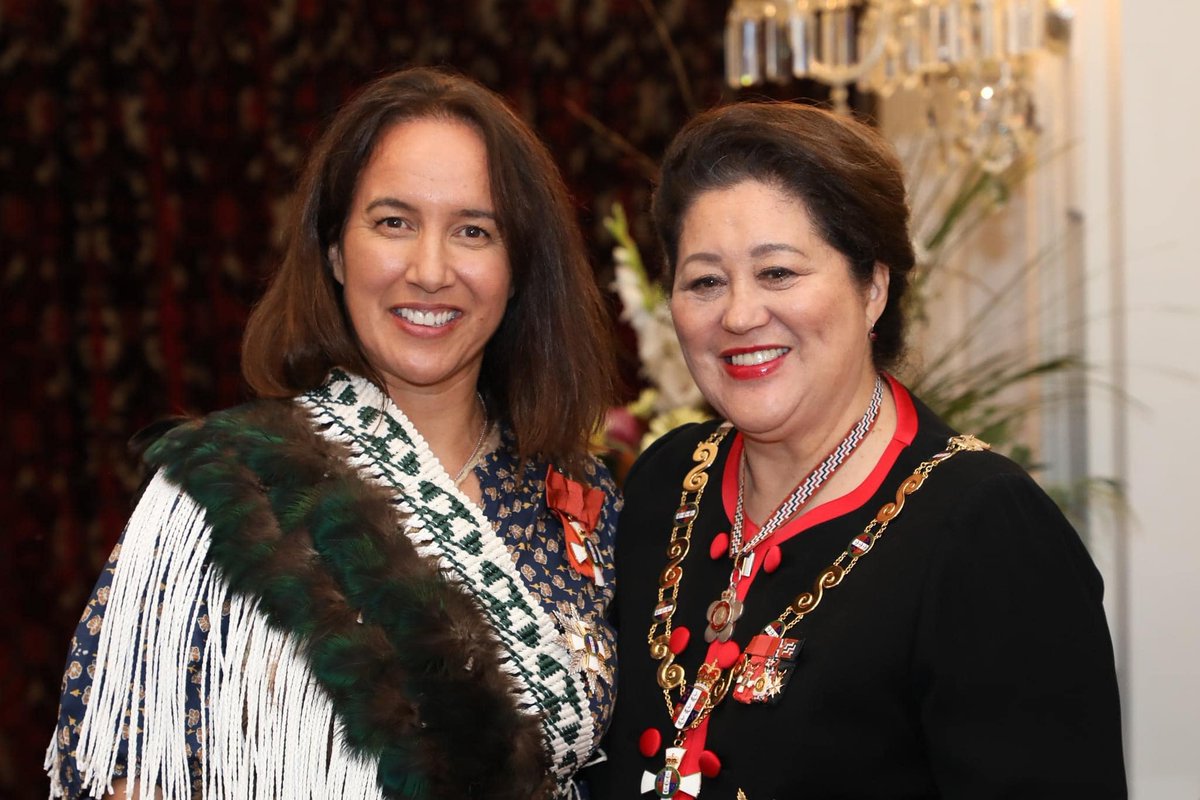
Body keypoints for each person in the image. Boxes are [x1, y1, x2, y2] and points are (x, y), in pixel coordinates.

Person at [46, 67, 620, 800]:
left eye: (474, 231)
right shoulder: (226, 488)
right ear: (336, 251)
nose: (430, 269)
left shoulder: (577, 496)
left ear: (518, 267)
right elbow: (128, 768)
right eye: (393, 222)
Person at [589, 102, 1126, 799]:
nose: (740, 314)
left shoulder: (982, 528)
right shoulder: (668, 480)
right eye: (704, 281)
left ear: (872, 288)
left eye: (778, 272)